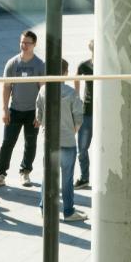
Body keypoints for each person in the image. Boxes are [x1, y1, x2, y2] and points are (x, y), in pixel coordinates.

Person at [0, 30, 45, 189]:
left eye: (27, 43)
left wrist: (40, 114)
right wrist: (4, 109)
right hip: (15, 110)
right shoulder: (12, 63)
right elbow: (7, 87)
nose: (24, 45)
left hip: (32, 112)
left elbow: (43, 90)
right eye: (22, 42)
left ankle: (25, 172)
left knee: (30, 143)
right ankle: (0, 174)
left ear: (34, 44)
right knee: (7, 143)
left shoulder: (40, 65)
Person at [36, 59, 87, 222]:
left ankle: (44, 208)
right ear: (65, 72)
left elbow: (39, 116)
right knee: (67, 179)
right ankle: (68, 211)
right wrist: (71, 131)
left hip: (49, 141)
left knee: (47, 176)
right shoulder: (72, 93)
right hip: (67, 141)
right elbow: (78, 119)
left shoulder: (43, 90)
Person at [73, 40, 95, 190]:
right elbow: (76, 77)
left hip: (103, 111)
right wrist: (77, 96)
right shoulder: (85, 65)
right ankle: (84, 177)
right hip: (87, 111)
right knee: (82, 148)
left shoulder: (108, 65)